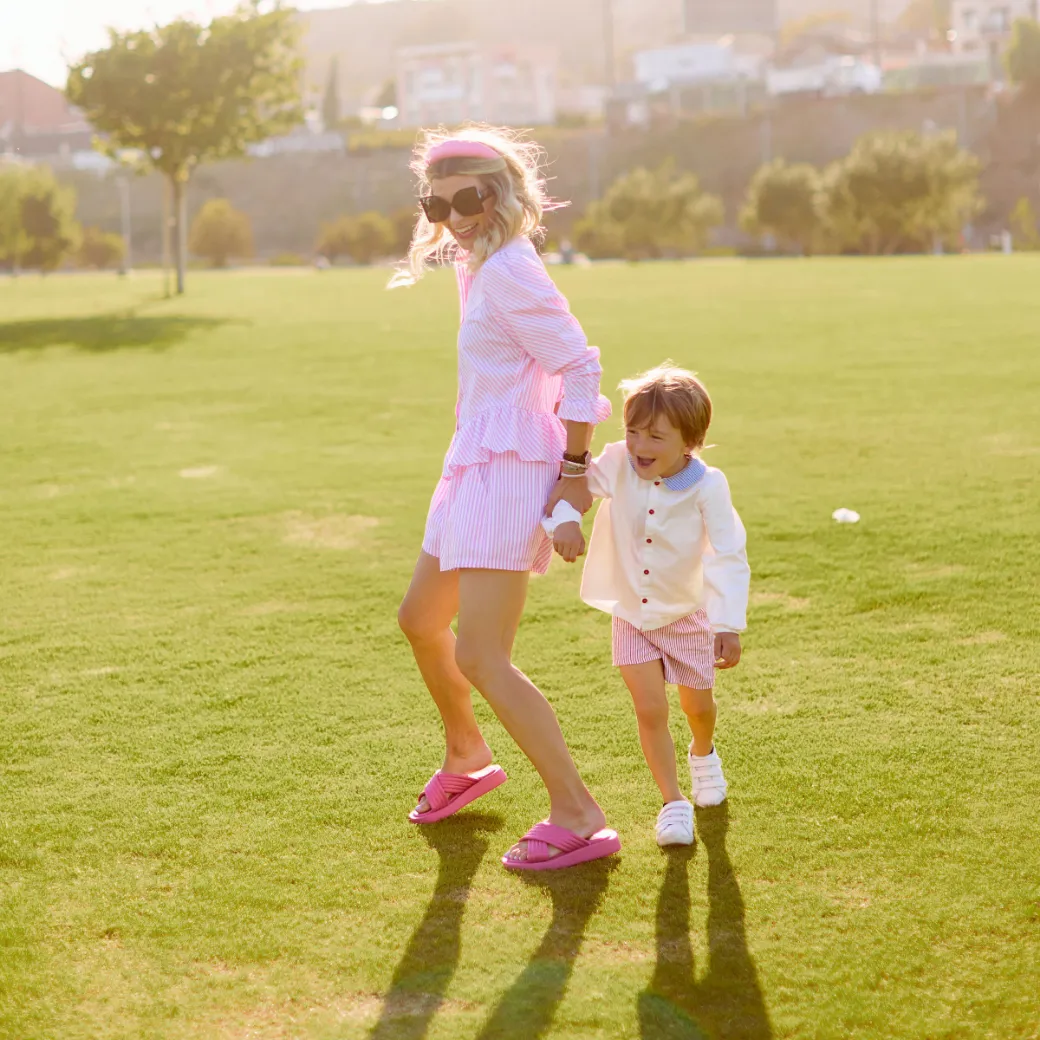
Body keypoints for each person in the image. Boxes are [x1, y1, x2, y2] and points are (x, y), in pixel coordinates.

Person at [393, 125, 621, 871]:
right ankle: (467, 757)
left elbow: (580, 367)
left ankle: (579, 814)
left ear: (502, 192)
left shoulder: (512, 270)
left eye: (469, 198)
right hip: (472, 461)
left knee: (482, 654)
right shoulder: (479, 264)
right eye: (437, 203)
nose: (453, 215)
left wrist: (575, 472)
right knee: (422, 619)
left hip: (511, 470)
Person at [544, 365, 750, 848]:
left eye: (656, 436)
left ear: (690, 442)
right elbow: (574, 489)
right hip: (631, 615)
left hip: (687, 614)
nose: (640, 445)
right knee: (650, 709)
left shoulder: (708, 485)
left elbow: (727, 553)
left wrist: (727, 623)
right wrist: (566, 522)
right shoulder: (617, 463)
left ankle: (704, 754)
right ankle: (673, 803)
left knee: (697, 707)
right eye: (634, 431)